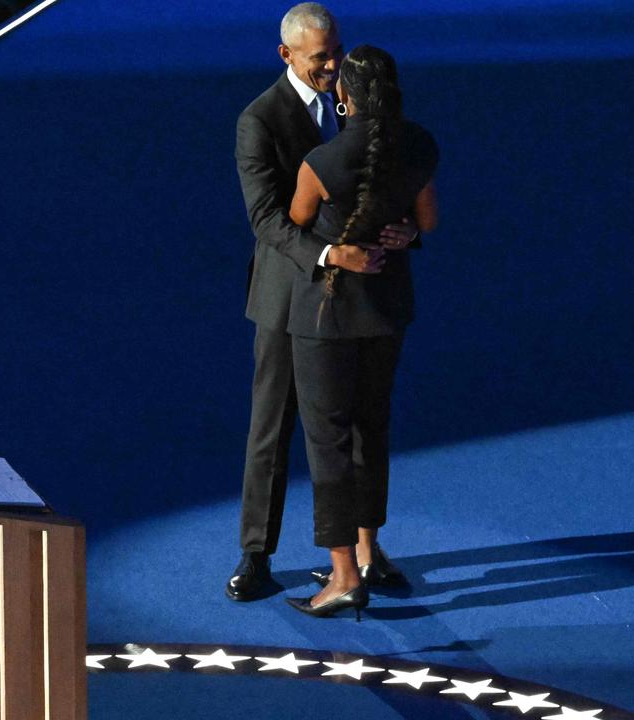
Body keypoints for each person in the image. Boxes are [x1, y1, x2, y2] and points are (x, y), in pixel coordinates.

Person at [228, 2, 416, 601]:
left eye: (336, 52)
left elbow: (397, 187)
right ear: (285, 55)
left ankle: (364, 550)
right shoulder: (259, 121)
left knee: (362, 423)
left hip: (359, 299)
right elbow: (266, 222)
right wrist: (330, 254)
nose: (333, 65)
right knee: (272, 427)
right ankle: (257, 553)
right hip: (289, 298)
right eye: (320, 58)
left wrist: (408, 229)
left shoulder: (361, 106)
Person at [282, 44, 438, 618]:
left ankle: (343, 573)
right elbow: (427, 222)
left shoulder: (322, 163)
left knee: (328, 440)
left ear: (344, 96)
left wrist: (333, 248)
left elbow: (296, 221)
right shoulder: (420, 145)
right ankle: (370, 552)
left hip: (325, 319)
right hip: (387, 312)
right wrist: (402, 235)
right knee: (373, 428)